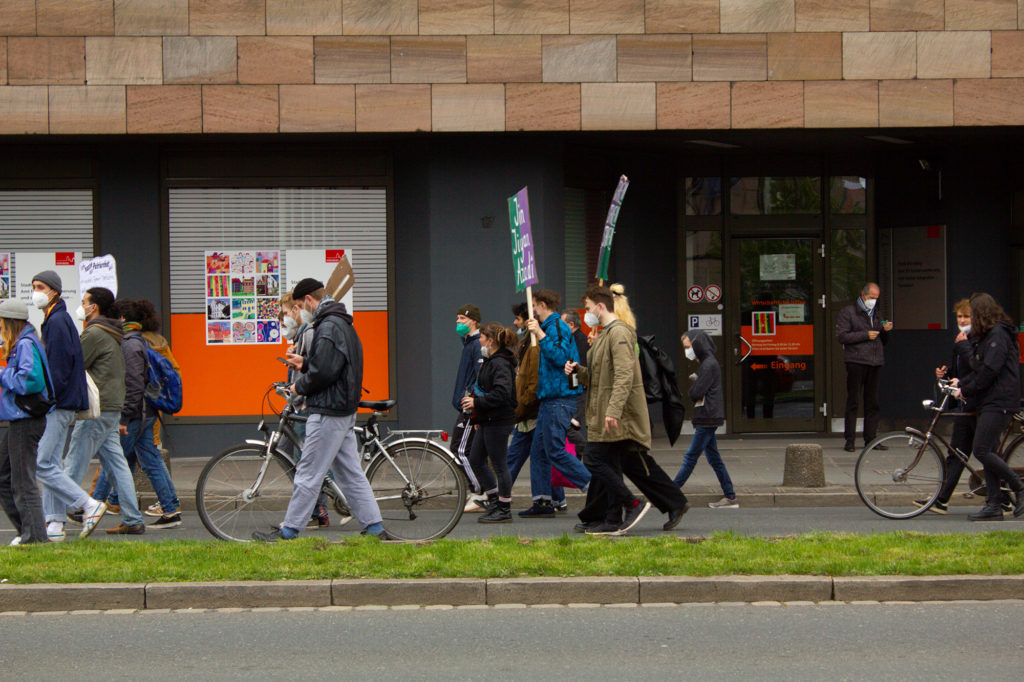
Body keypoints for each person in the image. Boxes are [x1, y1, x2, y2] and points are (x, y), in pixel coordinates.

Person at [252, 278, 390, 541]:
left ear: (309, 301)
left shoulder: (327, 327)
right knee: (350, 473)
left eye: (299, 305)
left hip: (327, 410)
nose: (300, 311)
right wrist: (304, 363)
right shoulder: (341, 324)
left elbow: (324, 372)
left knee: (308, 472)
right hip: (343, 409)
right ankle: (375, 529)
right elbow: (331, 364)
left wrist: (299, 386)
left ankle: (289, 531)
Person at [566, 284, 651, 535]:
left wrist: (613, 410)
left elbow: (625, 376)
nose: (587, 313)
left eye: (589, 308)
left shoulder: (619, 334)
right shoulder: (606, 334)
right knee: (610, 463)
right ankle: (613, 519)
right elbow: (599, 375)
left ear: (600, 306)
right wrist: (579, 372)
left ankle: (633, 503)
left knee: (594, 459)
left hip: (611, 414)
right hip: (604, 412)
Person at [61, 287, 145, 536]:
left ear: (94, 306)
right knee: (117, 464)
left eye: (85, 301)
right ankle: (132, 519)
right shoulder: (112, 332)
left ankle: (59, 515)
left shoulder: (95, 333)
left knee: (74, 462)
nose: (82, 305)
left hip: (96, 409)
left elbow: (74, 365)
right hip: (111, 407)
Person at [92, 299, 182, 529]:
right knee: (147, 459)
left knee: (114, 459)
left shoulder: (130, 344)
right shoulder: (138, 340)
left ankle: (92, 506)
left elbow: (133, 384)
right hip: (146, 410)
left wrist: (124, 417)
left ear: (122, 319)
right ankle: (170, 510)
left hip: (136, 412)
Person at [30, 270, 106, 542]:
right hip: (61, 403)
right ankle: (54, 523)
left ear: (54, 291)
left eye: (40, 286)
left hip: (58, 404)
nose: (35, 291)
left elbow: (58, 369)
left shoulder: (57, 321)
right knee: (51, 463)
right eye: (34, 286)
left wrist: (47, 400)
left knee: (41, 463)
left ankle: (87, 504)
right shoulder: (56, 318)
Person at [950, 292, 1024, 521]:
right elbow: (979, 368)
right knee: (988, 451)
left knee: (981, 450)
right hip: (990, 400)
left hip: (999, 401)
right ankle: (994, 504)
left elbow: (989, 371)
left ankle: (1019, 488)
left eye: (972, 314)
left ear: (980, 313)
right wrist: (963, 384)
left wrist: (966, 388)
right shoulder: (990, 336)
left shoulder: (998, 335)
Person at [521, 289, 591, 517]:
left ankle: (596, 487)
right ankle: (543, 502)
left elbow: (561, 358)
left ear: (541, 305)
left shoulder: (557, 326)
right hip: (550, 399)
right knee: (539, 451)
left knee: (554, 450)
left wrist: (540, 334)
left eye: (533, 306)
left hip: (559, 399)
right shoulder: (554, 327)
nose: (532, 311)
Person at [922, 299, 984, 515]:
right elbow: (961, 370)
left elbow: (979, 368)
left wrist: (962, 347)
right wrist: (946, 374)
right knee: (957, 452)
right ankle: (942, 500)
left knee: (986, 452)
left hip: (977, 403)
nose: (962, 320)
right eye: (959, 316)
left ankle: (1004, 496)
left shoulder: (976, 339)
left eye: (966, 316)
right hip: (964, 403)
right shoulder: (961, 339)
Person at [0, 299, 53, 545]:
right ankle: (27, 532)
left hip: (25, 419)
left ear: (8, 323)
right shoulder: (25, 342)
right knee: (5, 476)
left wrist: (2, 374)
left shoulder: (25, 344)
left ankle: (35, 538)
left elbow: (30, 382)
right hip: (20, 419)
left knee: (23, 481)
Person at [462, 322, 518, 523]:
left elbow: (502, 393)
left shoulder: (500, 363)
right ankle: (494, 500)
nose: (480, 341)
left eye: (482, 338)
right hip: (487, 419)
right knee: (475, 459)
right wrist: (478, 412)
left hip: (498, 420)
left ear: (491, 341)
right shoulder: (491, 360)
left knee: (499, 464)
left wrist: (476, 402)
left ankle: (504, 508)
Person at [674, 330, 737, 509]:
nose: (687, 351)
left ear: (698, 344)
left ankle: (671, 492)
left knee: (691, 457)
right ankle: (730, 496)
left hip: (707, 416)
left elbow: (696, 393)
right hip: (709, 415)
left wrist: (695, 384)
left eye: (688, 347)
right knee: (714, 458)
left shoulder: (708, 365)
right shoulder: (708, 364)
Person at [136, 298, 183, 518]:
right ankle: (168, 502)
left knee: (149, 455)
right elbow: (175, 370)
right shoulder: (160, 341)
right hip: (156, 403)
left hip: (143, 403)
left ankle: (169, 503)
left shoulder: (139, 342)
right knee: (149, 452)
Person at [836, 282, 894, 452]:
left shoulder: (877, 313)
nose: (873, 301)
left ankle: (871, 439)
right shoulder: (848, 312)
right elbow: (842, 336)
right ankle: (850, 440)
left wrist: (885, 330)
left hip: (875, 361)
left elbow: (883, 341)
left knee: (872, 402)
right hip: (856, 361)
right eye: (871, 298)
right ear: (863, 295)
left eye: (876, 298)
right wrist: (865, 335)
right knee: (853, 400)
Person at [451, 303, 487, 511]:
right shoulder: (468, 343)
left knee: (461, 450)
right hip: (466, 406)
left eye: (462, 319)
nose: (458, 322)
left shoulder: (475, 345)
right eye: (457, 318)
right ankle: (482, 491)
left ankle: (479, 492)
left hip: (470, 408)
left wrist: (473, 403)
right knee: (466, 450)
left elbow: (480, 376)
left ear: (473, 321)